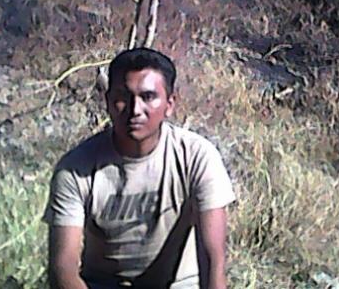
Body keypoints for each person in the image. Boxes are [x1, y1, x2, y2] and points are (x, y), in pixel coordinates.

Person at [44, 48, 236, 289]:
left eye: (148, 97)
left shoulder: (198, 157)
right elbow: (63, 269)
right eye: (123, 97)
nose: (135, 109)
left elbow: (213, 261)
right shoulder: (75, 169)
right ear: (108, 102)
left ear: (169, 104)